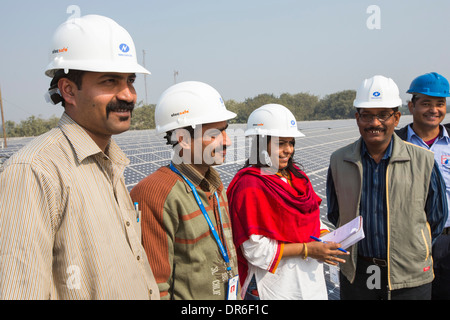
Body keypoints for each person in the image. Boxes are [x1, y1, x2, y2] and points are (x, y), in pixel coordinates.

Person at [0, 15, 159, 299]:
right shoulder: (34, 171)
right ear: (68, 90)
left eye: (130, 80)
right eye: (110, 81)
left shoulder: (110, 163)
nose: (129, 95)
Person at [327, 75, 448, 300]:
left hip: (410, 278)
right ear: (357, 118)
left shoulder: (423, 160)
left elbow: (437, 216)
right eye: (367, 115)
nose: (375, 123)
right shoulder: (339, 160)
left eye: (383, 115)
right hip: (358, 276)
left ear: (397, 117)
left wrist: (414, 249)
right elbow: (336, 214)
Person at [130, 81, 240, 300]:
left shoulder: (215, 185)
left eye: (226, 131)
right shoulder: (154, 194)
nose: (227, 141)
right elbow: (154, 289)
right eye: (215, 134)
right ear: (183, 140)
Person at [226, 104, 348, 300]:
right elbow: (255, 250)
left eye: (291, 143)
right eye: (279, 143)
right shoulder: (249, 185)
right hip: (274, 286)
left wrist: (328, 237)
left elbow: (311, 219)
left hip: (309, 283)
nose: (288, 150)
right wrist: (308, 249)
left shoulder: (297, 178)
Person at [395, 72, 450, 299]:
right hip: (408, 243)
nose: (433, 110)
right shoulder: (395, 143)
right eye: (426, 103)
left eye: (440, 103)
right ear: (411, 106)